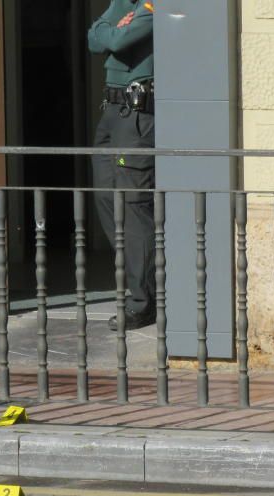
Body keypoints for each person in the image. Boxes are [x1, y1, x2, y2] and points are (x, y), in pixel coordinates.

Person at [88, 0, 156, 331]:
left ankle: (143, 302)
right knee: (105, 197)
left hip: (137, 116)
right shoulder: (121, 4)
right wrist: (114, 27)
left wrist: (113, 31)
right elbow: (92, 38)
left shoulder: (153, 5)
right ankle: (137, 284)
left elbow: (115, 42)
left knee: (132, 207)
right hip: (111, 112)